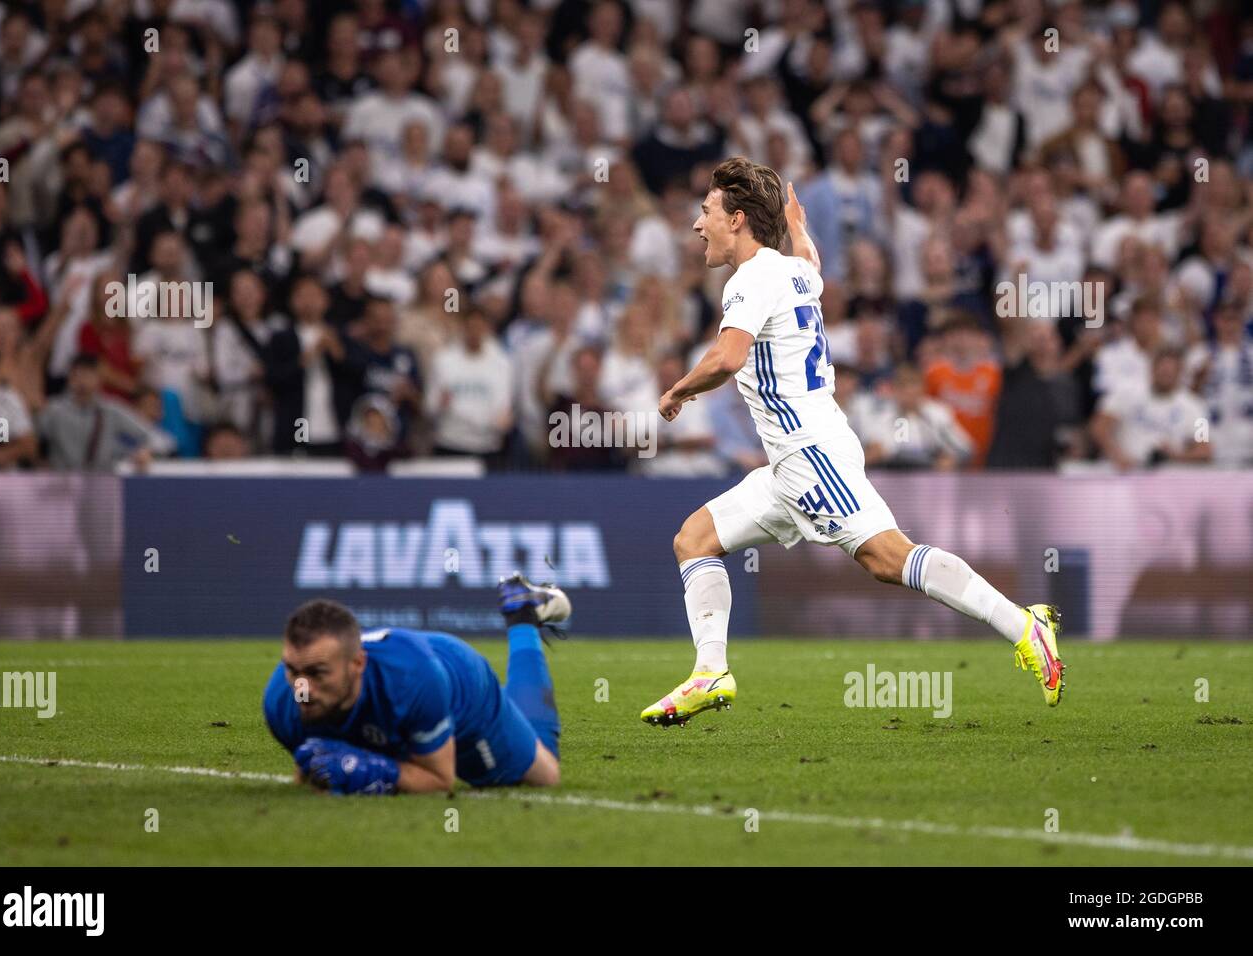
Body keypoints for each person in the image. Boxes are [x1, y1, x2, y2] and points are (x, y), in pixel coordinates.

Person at [643, 158, 1065, 728]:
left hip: (812, 457)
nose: (698, 225)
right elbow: (811, 262)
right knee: (694, 540)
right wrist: (797, 226)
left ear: (737, 219)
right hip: (793, 460)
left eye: (707, 211)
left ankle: (1023, 625)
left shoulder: (752, 279)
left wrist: (677, 391)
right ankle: (709, 672)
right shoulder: (795, 271)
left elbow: (729, 356)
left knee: (888, 559)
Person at [263, 575, 569, 795]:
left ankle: (522, 616)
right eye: (293, 670)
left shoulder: (415, 683)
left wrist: (378, 771)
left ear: (357, 664)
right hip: (406, 689)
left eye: (317, 673)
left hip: (460, 687)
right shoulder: (282, 702)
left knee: (543, 775)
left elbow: (439, 780)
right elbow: (316, 776)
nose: (303, 689)